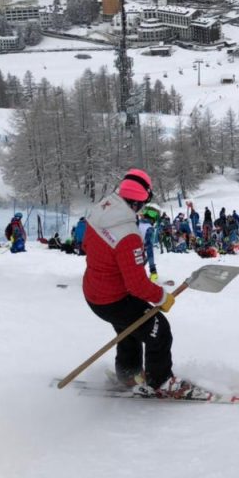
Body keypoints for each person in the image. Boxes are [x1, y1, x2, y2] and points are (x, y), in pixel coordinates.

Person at [82, 169, 191, 398]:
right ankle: (160, 381)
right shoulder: (128, 234)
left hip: (95, 293)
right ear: (142, 201)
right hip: (113, 298)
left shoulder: (101, 210)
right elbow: (137, 284)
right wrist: (162, 297)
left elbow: (86, 246)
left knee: (130, 330)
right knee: (158, 330)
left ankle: (128, 374)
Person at [138, 204, 161, 283]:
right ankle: (151, 275)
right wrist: (153, 269)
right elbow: (149, 249)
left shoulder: (137, 223)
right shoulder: (149, 228)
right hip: (138, 250)